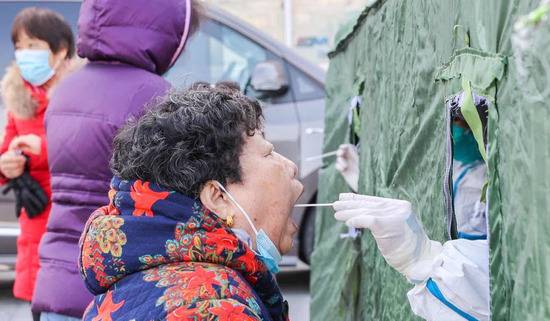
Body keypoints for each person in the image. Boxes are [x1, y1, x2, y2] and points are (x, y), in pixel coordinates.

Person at [11, 1, 201, 320]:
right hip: (114, 285)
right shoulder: (154, 94)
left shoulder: (67, 90)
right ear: (166, 30)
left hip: (58, 275)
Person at [78, 83, 301, 321]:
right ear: (218, 197)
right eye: (268, 154)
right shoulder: (214, 309)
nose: (291, 167)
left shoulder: (154, 276)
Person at [333, 92, 490, 320]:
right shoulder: (444, 167)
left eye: (462, 121)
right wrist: (362, 180)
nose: (457, 129)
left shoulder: (484, 178)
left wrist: (425, 259)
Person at [0, 7, 76, 321]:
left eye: (33, 46)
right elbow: (5, 150)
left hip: (71, 218)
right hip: (34, 219)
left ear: (60, 51)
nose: (23, 54)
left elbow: (86, 150)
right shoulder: (19, 100)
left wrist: (42, 149)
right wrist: (7, 165)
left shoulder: (78, 96)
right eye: (19, 46)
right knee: (38, 305)